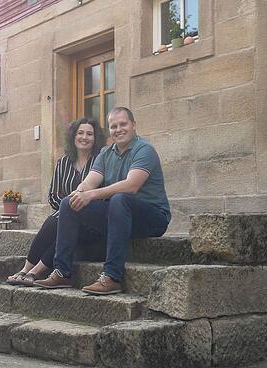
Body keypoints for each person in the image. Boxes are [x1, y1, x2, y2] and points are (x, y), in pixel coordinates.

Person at [34, 107, 170, 295]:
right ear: (109, 130)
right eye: (113, 126)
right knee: (69, 202)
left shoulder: (144, 150)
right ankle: (62, 272)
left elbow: (131, 186)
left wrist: (91, 195)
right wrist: (79, 194)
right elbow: (90, 182)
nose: (119, 129)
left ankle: (112, 277)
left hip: (152, 218)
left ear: (133, 126)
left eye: (123, 124)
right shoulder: (105, 153)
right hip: (119, 216)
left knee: (120, 199)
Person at [5, 118, 105, 286]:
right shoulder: (63, 162)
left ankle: (34, 271)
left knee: (60, 222)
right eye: (80, 133)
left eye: (89, 134)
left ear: (95, 138)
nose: (84, 137)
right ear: (73, 136)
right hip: (63, 217)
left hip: (90, 223)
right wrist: (68, 210)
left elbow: (102, 196)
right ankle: (26, 269)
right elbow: (53, 195)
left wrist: (72, 210)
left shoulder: (100, 161)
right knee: (56, 222)